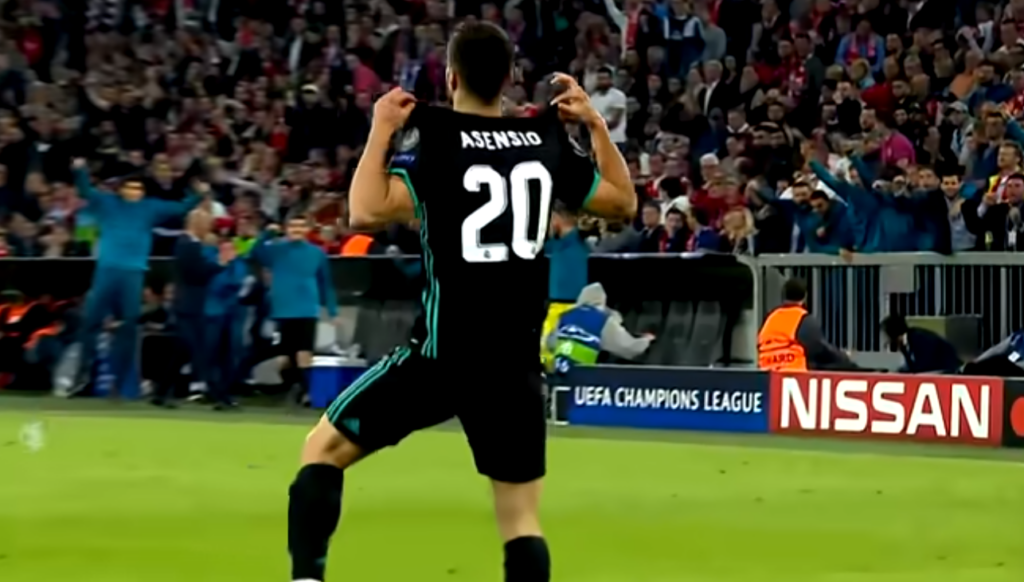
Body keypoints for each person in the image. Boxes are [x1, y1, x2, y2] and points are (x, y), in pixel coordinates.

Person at [285, 22, 635, 582]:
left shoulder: (437, 141)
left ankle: (307, 578)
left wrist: (381, 129)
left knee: (322, 450)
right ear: (511, 77)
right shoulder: (543, 142)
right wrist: (594, 124)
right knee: (521, 519)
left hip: (441, 355)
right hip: (514, 363)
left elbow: (365, 211)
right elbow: (622, 203)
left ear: (450, 78)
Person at [71, 159, 203, 395]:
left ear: (143, 191)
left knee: (129, 325)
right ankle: (82, 376)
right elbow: (85, 191)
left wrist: (198, 195)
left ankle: (120, 382)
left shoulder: (150, 208)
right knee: (91, 322)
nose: (134, 192)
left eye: (138, 188)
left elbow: (180, 209)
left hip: (132, 273)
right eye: (130, 187)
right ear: (121, 189)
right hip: (107, 270)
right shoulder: (108, 202)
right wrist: (80, 170)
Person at [252, 214, 338, 405]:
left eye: (301, 226)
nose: (296, 230)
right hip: (282, 310)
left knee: (304, 354)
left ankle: (308, 394)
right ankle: (293, 388)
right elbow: (255, 253)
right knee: (284, 358)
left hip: (307, 310)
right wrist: (267, 234)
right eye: (292, 226)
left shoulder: (317, 253)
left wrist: (332, 309)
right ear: (286, 229)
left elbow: (325, 282)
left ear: (308, 230)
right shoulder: (276, 250)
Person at [172, 208, 230, 409]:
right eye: (207, 224)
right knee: (199, 351)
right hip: (188, 306)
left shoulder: (189, 244)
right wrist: (220, 264)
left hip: (191, 305)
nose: (209, 229)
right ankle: (218, 395)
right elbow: (196, 275)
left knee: (183, 353)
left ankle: (161, 393)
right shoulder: (188, 244)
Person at [545, 282, 653, 374]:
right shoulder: (602, 320)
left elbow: (550, 343)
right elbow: (629, 348)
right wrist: (646, 340)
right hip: (582, 378)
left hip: (558, 374)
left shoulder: (564, 316)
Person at [758, 278, 858, 371]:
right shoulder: (803, 319)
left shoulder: (769, 319)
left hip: (766, 373)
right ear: (805, 297)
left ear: (783, 296)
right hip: (795, 373)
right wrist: (844, 358)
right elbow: (821, 350)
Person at [880, 313, 961, 374]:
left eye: (886, 337)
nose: (887, 342)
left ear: (893, 334)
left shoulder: (919, 338)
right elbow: (912, 367)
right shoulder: (906, 343)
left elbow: (924, 365)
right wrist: (895, 372)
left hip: (948, 372)